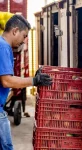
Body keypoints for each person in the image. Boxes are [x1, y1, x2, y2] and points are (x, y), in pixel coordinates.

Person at [0, 14, 52, 150]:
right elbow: (6, 81)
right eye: (24, 36)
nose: (24, 41)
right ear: (15, 31)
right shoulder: (3, 47)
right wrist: (34, 81)